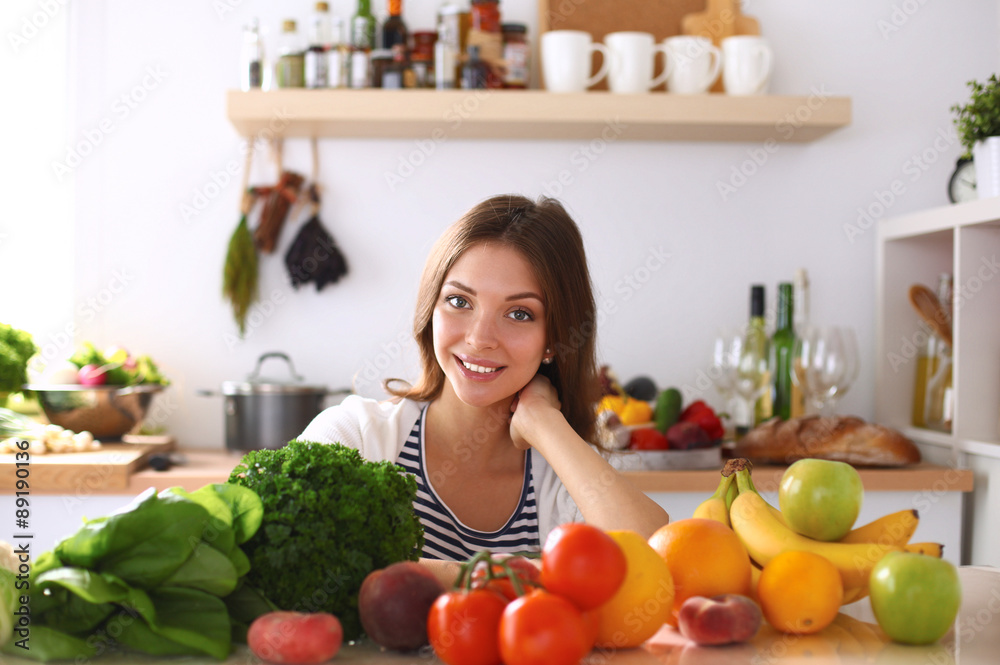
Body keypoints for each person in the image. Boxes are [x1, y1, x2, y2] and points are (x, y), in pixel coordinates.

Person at [299, 194, 669, 585]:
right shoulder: (357, 435)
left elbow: (654, 557)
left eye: (519, 313)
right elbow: (304, 549)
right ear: (430, 310)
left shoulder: (563, 473)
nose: (479, 338)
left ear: (553, 340)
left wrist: (544, 421)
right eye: (459, 301)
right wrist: (499, 579)